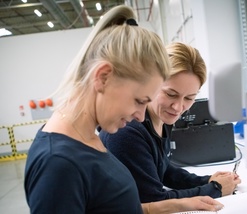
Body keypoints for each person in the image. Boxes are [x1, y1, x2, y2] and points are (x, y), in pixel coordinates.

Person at [24, 5, 224, 214]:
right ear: (103, 77)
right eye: (139, 100)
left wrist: (178, 203)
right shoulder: (58, 164)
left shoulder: (83, 140)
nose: (140, 115)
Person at [99, 42, 241, 203]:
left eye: (189, 98)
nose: (178, 107)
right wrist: (215, 189)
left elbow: (162, 169)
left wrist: (206, 180)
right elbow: (154, 201)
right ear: (150, 84)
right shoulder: (127, 131)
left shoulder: (162, 118)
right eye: (171, 94)